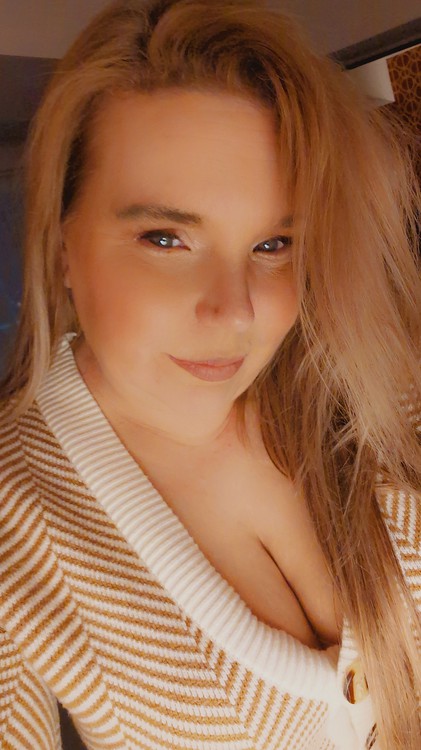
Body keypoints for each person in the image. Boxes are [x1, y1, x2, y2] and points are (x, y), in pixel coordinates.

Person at [0, 0, 419, 748]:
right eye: (165, 238)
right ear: (62, 246)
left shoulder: (365, 373)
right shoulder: (16, 526)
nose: (235, 314)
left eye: (272, 244)